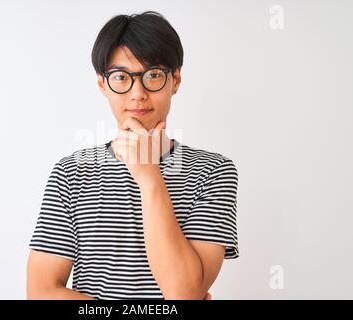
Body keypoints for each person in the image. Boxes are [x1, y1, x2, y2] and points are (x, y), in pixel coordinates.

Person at [27, 11, 239, 300]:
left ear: (175, 80)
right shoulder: (71, 172)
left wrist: (149, 176)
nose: (137, 93)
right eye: (121, 77)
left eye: (153, 75)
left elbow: (183, 294)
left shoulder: (214, 171)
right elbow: (40, 292)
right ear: (103, 84)